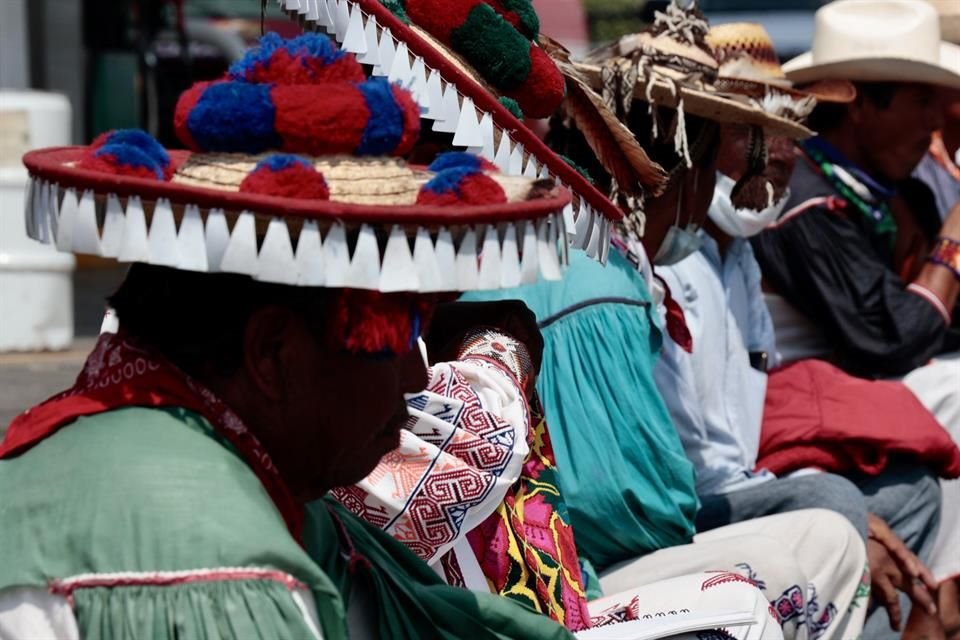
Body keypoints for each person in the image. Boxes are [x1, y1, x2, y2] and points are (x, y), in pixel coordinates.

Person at [0, 33, 583, 639]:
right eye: (391, 331)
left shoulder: (263, 491)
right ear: (272, 354)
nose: (414, 377)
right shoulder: (219, 564)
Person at [466, 5, 870, 640]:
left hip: (580, 552)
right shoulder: (602, 279)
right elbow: (625, 502)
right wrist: (686, 509)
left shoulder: (600, 260)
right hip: (576, 575)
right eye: (713, 163)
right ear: (684, 166)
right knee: (783, 560)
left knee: (828, 535)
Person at [653, 22, 946, 640]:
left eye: (790, 133)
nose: (783, 154)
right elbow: (698, 472)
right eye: (755, 134)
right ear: (699, 142)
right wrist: (814, 499)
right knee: (842, 508)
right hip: (690, 505)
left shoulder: (735, 255)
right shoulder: (674, 261)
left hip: (741, 481)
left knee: (909, 494)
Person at [749, 0, 960, 600]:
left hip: (847, 393)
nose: (934, 124)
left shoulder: (892, 193)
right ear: (861, 104)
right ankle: (942, 600)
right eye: (921, 102)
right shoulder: (805, 202)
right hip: (788, 409)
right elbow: (888, 343)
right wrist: (954, 239)